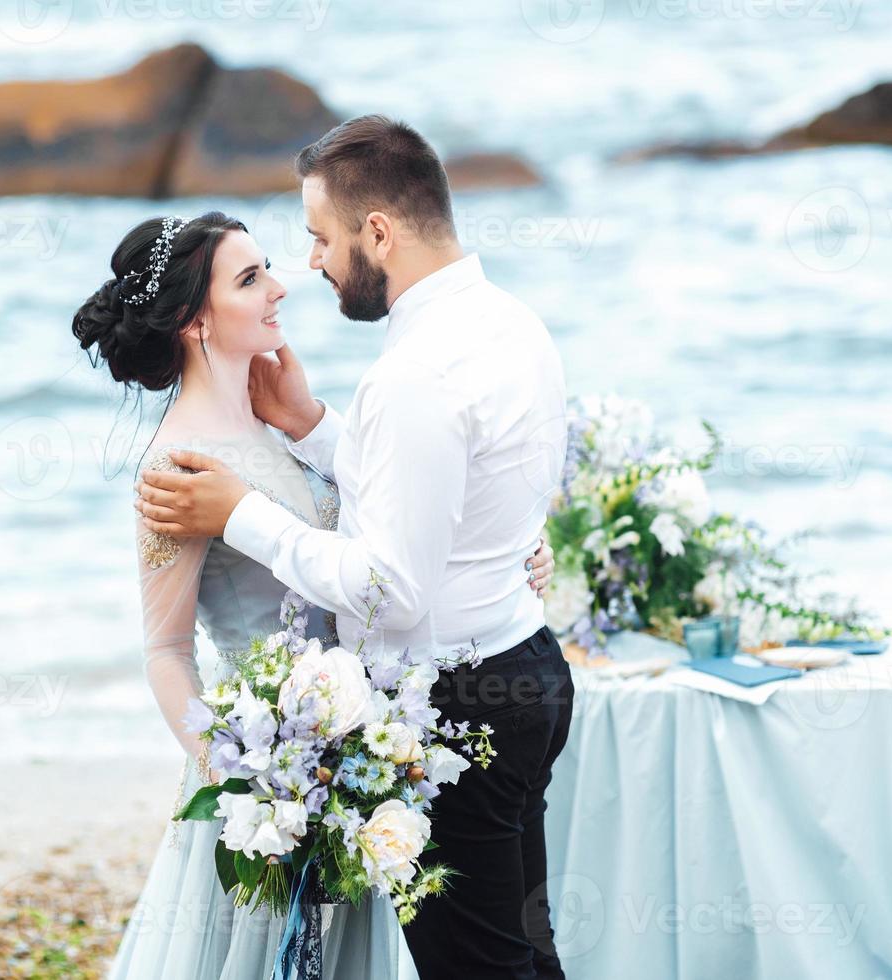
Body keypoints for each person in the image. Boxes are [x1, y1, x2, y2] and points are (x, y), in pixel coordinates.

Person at [135, 116, 573, 980]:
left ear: (378, 231)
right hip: (526, 669)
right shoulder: (511, 322)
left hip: (463, 704)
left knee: (484, 971)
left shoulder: (414, 375)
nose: (312, 268)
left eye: (320, 239)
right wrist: (311, 426)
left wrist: (241, 516)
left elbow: (390, 590)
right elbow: (451, 489)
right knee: (524, 953)